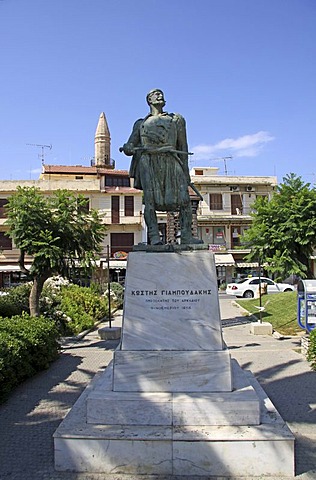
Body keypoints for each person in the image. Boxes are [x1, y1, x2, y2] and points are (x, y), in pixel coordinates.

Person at [120, 89, 202, 245]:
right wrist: (128, 147)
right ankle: (154, 237)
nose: (160, 95)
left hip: (171, 160)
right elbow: (131, 144)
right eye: (155, 94)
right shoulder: (140, 124)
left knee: (184, 199)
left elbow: (183, 146)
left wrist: (186, 172)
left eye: (161, 93)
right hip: (148, 162)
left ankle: (186, 236)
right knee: (149, 201)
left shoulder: (176, 120)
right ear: (149, 100)